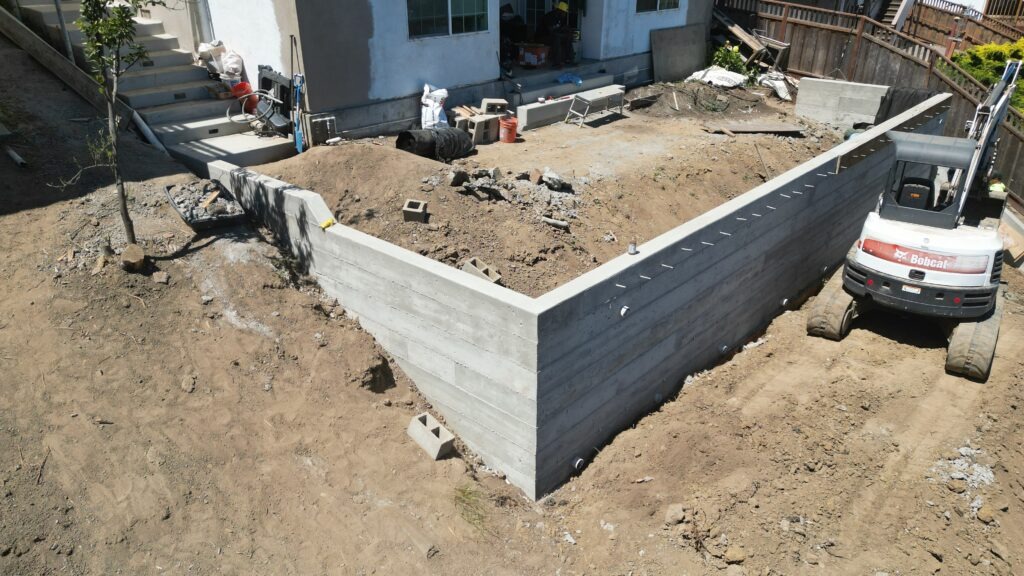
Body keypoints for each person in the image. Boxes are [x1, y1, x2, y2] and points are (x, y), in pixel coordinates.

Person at [537, 2, 572, 68]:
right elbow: (551, 31)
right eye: (564, 12)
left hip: (552, 36)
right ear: (559, 11)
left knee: (568, 36)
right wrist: (562, 29)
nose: (565, 14)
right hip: (542, 37)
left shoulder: (560, 17)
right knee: (556, 38)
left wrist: (567, 30)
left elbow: (561, 29)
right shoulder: (549, 16)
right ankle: (556, 63)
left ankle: (569, 59)